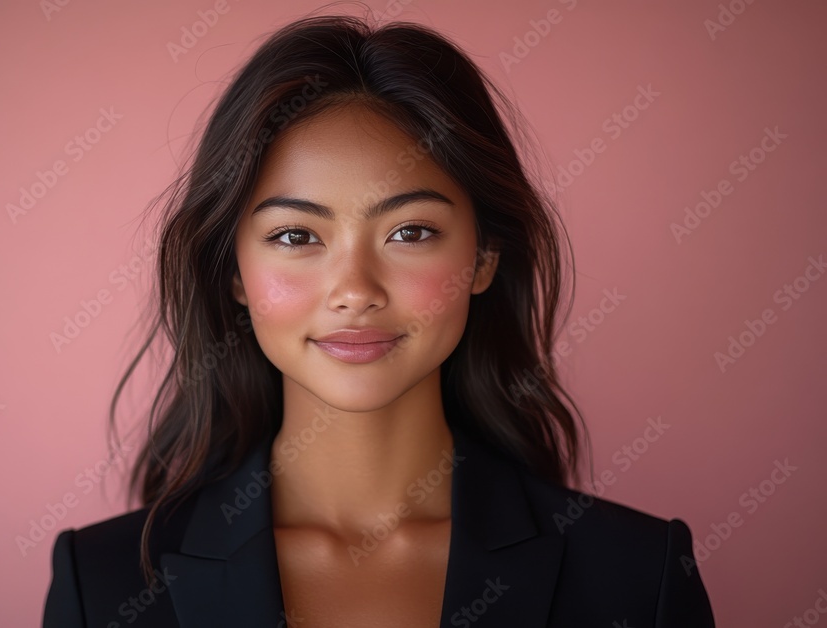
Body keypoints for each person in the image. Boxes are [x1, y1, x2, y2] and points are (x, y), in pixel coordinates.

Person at [42, 12, 717, 628]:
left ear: (484, 257)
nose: (355, 291)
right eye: (296, 236)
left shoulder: (640, 577)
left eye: (410, 232)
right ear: (234, 274)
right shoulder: (100, 585)